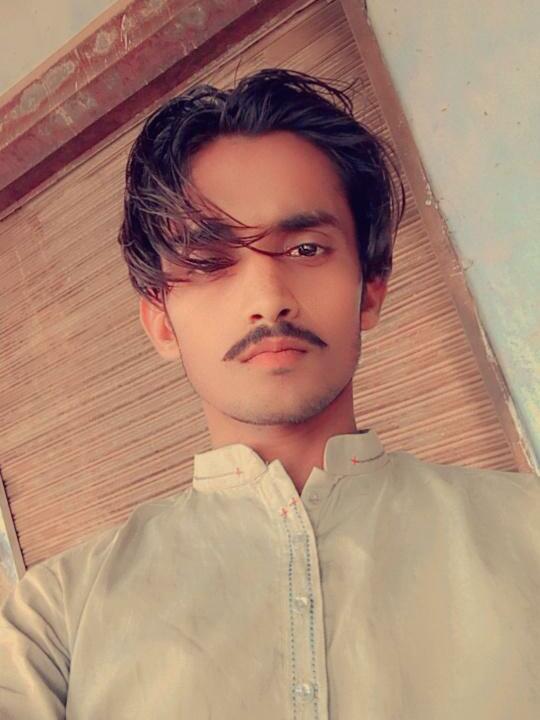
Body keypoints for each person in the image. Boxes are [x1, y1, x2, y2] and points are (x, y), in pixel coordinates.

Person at [1, 68, 539, 720]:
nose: (268, 299)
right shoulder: (52, 622)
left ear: (370, 290)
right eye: (210, 262)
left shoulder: (528, 532)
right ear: (161, 323)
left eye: (307, 248)